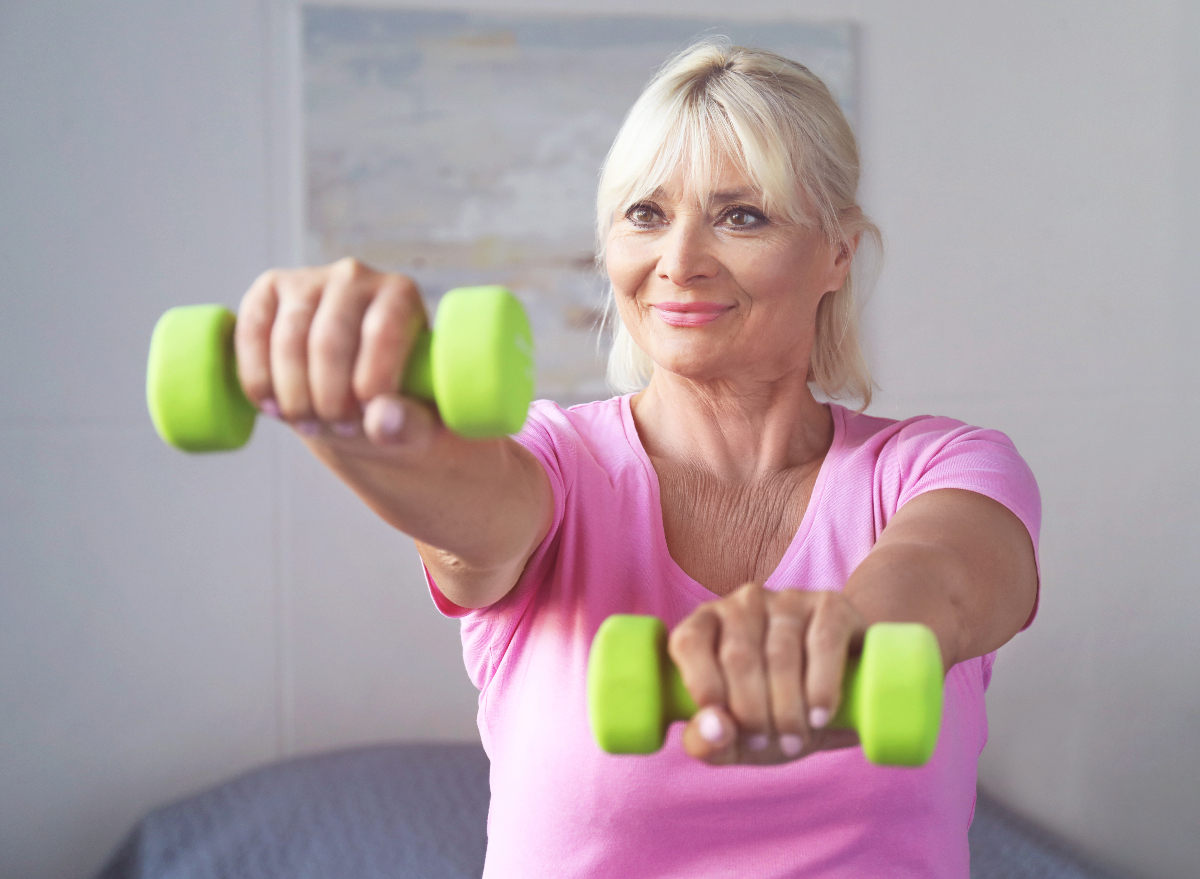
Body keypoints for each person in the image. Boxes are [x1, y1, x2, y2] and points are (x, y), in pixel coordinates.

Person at [233, 39, 1040, 879]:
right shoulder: (556, 463)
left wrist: (834, 642)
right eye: (646, 215)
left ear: (837, 251)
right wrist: (365, 425)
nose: (679, 262)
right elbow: (466, 512)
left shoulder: (941, 466)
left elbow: (943, 578)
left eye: (742, 215)